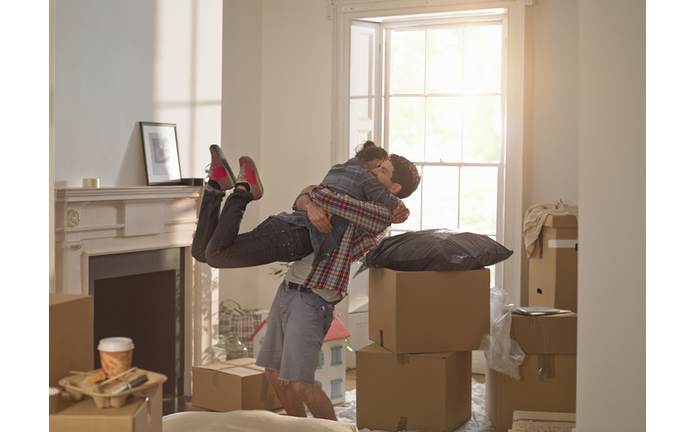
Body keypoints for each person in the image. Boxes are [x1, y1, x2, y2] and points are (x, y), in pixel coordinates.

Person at [191, 142, 408, 269]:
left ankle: (216, 186)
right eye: (377, 167)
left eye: (382, 170)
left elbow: (308, 196)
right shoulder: (362, 182)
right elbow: (307, 199)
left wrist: (310, 196)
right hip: (292, 235)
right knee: (216, 255)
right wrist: (398, 206)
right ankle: (243, 190)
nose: (375, 173)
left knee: (202, 252)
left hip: (285, 226)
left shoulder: (345, 178)